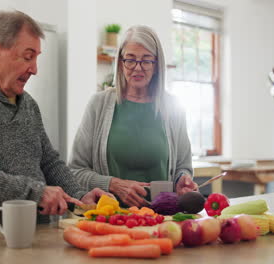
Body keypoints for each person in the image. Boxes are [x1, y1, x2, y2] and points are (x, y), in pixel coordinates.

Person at [0, 10, 109, 235]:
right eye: (27, 56)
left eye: (36, 57)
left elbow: (49, 162)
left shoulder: (29, 104)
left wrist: (82, 195)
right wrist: (37, 193)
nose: (34, 69)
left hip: (36, 237)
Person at [69, 25, 198, 208]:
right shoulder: (99, 105)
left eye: (146, 61)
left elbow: (183, 167)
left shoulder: (173, 107)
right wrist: (113, 184)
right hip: (112, 218)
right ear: (121, 63)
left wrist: (182, 180)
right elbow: (75, 171)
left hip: (162, 219)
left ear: (157, 65)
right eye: (130, 59)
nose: (137, 68)